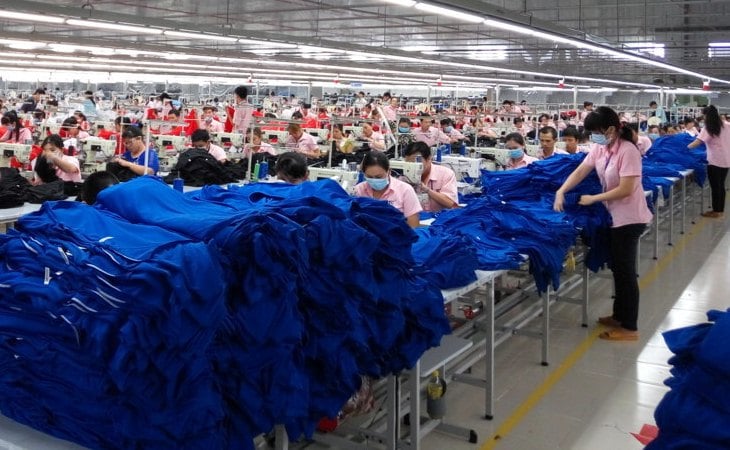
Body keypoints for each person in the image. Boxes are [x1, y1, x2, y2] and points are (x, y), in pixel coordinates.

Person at [554, 106, 652, 341]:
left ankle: (630, 328)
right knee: (618, 268)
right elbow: (581, 171)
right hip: (614, 216)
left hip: (629, 218)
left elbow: (627, 188)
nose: (592, 137)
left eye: (595, 131)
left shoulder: (628, 151)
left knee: (626, 272)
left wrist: (593, 199)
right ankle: (619, 315)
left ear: (609, 129)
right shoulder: (601, 147)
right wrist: (561, 190)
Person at [354, 151, 422, 228]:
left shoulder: (405, 190)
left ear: (389, 171)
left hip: (398, 238)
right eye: (369, 177)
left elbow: (414, 226)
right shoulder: (358, 190)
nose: (374, 180)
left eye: (378, 177)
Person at [688, 105, 730, 218]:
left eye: (704, 115)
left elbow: (698, 142)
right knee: (721, 186)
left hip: (715, 161)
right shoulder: (726, 124)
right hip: (726, 159)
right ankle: (720, 210)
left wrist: (685, 148)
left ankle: (716, 211)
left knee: (716, 187)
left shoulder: (709, 127)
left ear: (706, 115)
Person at [403, 142, 458, 212]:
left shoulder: (446, 174)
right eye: (409, 164)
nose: (412, 167)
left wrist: (427, 190)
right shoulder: (404, 176)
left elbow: (450, 203)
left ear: (428, 158)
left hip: (440, 220)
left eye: (416, 163)